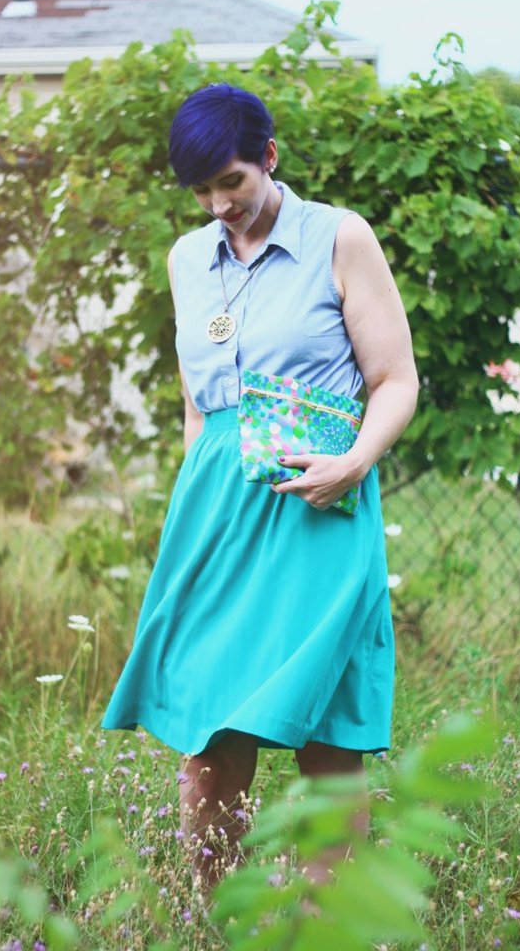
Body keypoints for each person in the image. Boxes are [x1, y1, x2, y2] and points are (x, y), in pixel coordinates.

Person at [102, 83, 418, 890]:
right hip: (217, 516)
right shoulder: (186, 259)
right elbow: (198, 409)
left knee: (329, 744)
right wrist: (187, 523)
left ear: (269, 159)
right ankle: (218, 925)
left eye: (232, 183)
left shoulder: (340, 238)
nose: (218, 205)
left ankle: (329, 930)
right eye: (202, 191)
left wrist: (355, 460)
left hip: (321, 509)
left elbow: (394, 380)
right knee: (209, 742)